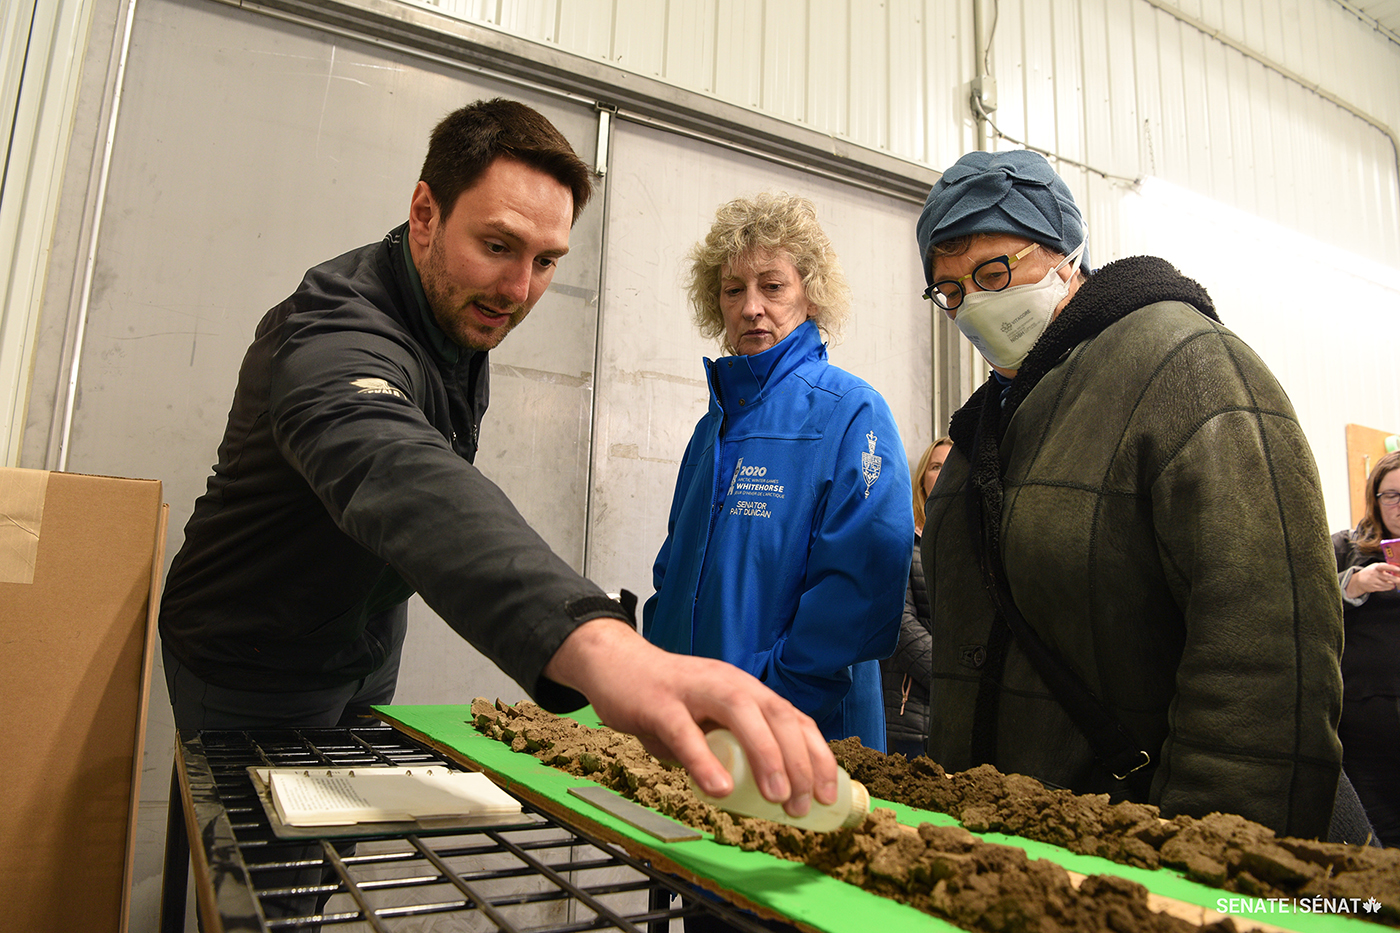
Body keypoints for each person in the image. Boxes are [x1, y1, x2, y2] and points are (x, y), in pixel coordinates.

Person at [158, 99, 839, 825]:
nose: (519, 291)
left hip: (362, 638)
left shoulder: (454, 313)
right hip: (254, 655)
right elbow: (399, 471)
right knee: (269, 877)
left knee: (335, 842)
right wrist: (604, 647)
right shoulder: (330, 330)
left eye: (546, 261)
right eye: (498, 246)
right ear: (425, 213)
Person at [914, 148, 1343, 840]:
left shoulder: (1190, 369)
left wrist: (1205, 869)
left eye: (994, 272)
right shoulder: (981, 433)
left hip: (1133, 854)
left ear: (1063, 251)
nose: (975, 304)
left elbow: (1264, 655)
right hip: (1011, 856)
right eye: (952, 290)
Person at [643, 192, 911, 753]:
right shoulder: (711, 427)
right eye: (732, 289)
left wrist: (768, 703)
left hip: (799, 739)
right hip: (690, 729)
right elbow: (674, 570)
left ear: (809, 294)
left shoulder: (850, 412)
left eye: (772, 285)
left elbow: (857, 591)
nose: (750, 307)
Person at [1332, 451, 1400, 845]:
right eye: (1391, 495)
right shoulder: (1344, 546)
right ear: (1374, 497)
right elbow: (1302, 600)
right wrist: (1354, 584)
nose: (1399, 506)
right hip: (1363, 730)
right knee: (1376, 847)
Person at [881, 437, 950, 758]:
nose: (946, 472)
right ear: (922, 479)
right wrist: (952, 678)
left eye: (953, 464)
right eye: (936, 466)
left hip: (959, 716)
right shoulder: (903, 539)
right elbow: (899, 624)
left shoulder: (975, 546)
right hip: (913, 711)